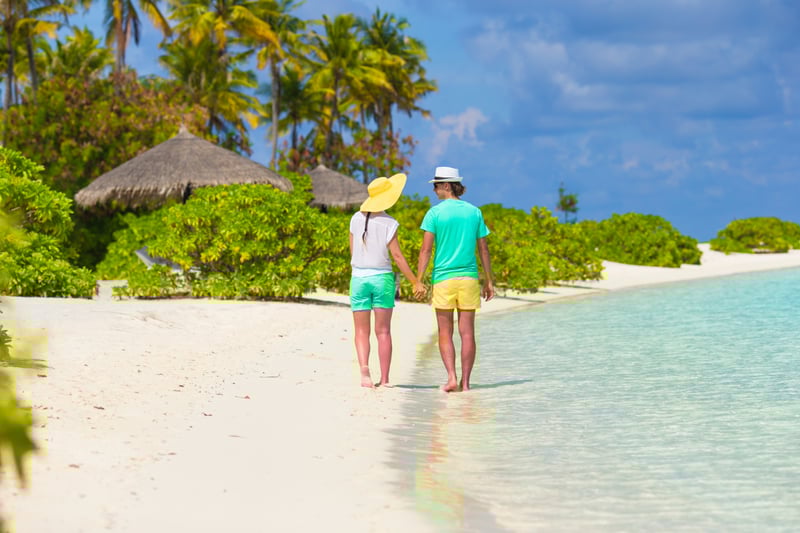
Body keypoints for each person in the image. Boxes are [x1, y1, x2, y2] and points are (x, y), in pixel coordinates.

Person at [417, 166, 495, 392]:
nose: (434, 190)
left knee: (445, 332)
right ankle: (466, 383)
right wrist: (489, 280)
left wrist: (418, 279)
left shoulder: (434, 214)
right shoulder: (474, 212)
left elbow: (425, 250)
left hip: (443, 279)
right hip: (469, 278)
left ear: (446, 185)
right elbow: (484, 249)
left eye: (436, 185)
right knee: (467, 332)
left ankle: (452, 378)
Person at [349, 173, 424, 388]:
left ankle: (365, 372)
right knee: (383, 331)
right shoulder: (389, 222)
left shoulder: (355, 219)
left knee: (361, 331)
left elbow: (353, 252)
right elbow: (397, 256)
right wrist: (414, 282)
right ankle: (385, 379)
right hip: (382, 279)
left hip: (359, 279)